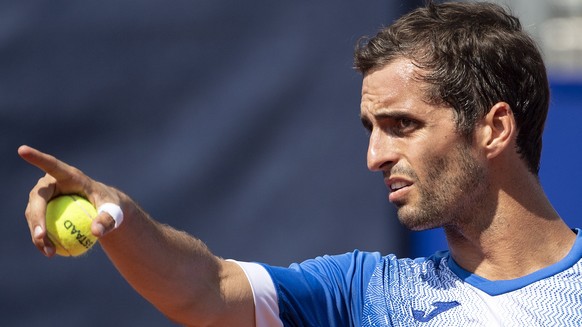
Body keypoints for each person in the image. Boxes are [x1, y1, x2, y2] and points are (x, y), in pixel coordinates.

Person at [19, 1, 582, 326]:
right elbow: (206, 288)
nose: (375, 156)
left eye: (402, 125)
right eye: (372, 129)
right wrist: (114, 214)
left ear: (495, 128)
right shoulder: (365, 292)